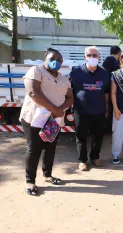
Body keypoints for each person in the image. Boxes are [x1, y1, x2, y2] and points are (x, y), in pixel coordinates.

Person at [20, 48, 73, 196]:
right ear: (46, 59)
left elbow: (70, 97)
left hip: (53, 120)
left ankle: (48, 175)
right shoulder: (36, 71)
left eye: (59, 59)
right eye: (52, 58)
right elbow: (33, 92)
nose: (56, 61)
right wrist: (54, 109)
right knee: (34, 148)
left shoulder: (63, 78)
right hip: (34, 118)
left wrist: (60, 109)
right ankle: (30, 181)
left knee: (50, 147)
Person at [70, 46, 111, 171]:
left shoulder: (104, 74)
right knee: (81, 136)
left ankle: (95, 157)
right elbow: (69, 90)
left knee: (98, 136)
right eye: (89, 55)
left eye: (95, 55)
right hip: (81, 111)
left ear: (99, 58)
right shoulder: (76, 71)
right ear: (84, 57)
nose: (92, 58)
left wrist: (107, 108)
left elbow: (106, 93)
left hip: (99, 110)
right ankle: (82, 160)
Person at [102, 46, 122, 132]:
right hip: (109, 88)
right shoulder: (109, 59)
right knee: (109, 107)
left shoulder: (115, 61)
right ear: (118, 52)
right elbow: (104, 74)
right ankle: (107, 128)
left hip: (113, 88)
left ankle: (110, 127)